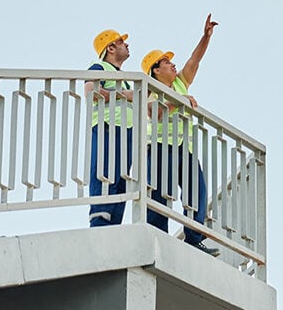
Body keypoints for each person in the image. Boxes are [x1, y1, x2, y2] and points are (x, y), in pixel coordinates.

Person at [141, 14, 220, 255]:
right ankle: (156, 238)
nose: (172, 64)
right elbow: (154, 112)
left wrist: (205, 37)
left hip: (182, 147)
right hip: (160, 147)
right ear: (155, 70)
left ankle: (193, 238)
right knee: (160, 194)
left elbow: (194, 61)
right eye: (166, 62)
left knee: (197, 190)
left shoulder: (179, 83)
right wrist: (180, 101)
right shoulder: (151, 89)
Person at [85, 29, 173, 232]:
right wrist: (126, 94)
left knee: (121, 178)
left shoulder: (123, 77)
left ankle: (113, 224)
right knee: (105, 173)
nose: (127, 45)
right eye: (122, 42)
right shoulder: (100, 67)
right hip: (108, 128)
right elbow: (91, 91)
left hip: (126, 132)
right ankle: (99, 221)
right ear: (111, 47)